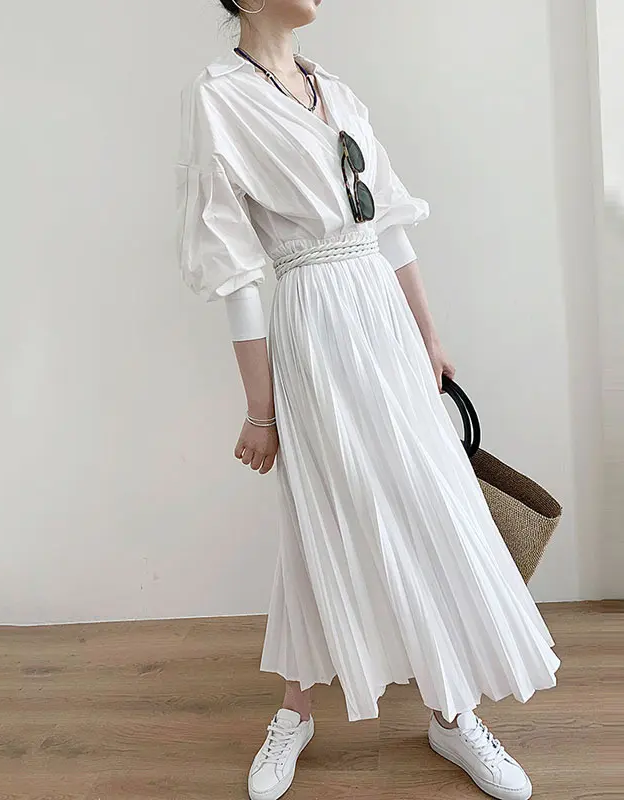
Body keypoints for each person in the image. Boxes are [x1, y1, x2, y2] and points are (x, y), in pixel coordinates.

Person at [175, 2, 560, 799]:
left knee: (429, 502)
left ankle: (452, 713)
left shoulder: (338, 92)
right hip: (313, 322)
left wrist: (430, 337)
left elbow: (389, 227)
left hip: (383, 318)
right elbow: (235, 268)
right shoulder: (220, 96)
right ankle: (297, 711)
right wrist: (260, 409)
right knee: (323, 511)